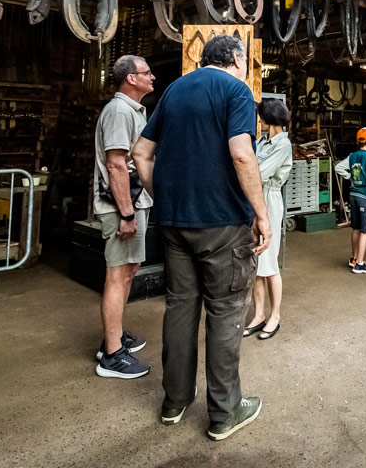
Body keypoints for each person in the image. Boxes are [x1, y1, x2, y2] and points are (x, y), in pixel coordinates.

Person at [132, 35, 271, 442]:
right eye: (245, 61)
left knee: (179, 308)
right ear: (234, 58)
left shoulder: (174, 90)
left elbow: (140, 153)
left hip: (175, 223)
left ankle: (174, 402)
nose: (247, 66)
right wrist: (262, 215)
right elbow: (242, 153)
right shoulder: (236, 90)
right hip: (223, 223)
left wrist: (164, 196)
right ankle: (225, 412)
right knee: (226, 312)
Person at [92, 55, 155, 379]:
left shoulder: (132, 111)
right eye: (146, 73)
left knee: (129, 271)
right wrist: (126, 213)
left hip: (132, 203)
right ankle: (112, 355)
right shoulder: (118, 111)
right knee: (118, 275)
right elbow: (116, 164)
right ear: (130, 78)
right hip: (122, 207)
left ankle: (113, 338)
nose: (153, 77)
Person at [244, 98, 293, 341]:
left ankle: (275, 316)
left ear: (269, 118)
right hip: (255, 198)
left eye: (261, 116)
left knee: (270, 263)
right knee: (257, 264)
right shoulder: (263, 141)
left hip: (269, 200)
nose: (259, 120)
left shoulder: (283, 145)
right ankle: (258, 315)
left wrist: (244, 168)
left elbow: (259, 173)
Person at [335, 127, 366, 274]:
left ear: (357, 141)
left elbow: (338, 167)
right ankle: (360, 264)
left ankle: (354, 258)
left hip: (353, 195)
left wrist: (351, 178)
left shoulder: (352, 156)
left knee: (355, 227)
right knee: (364, 231)